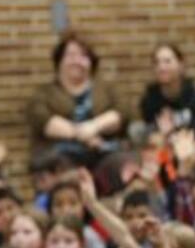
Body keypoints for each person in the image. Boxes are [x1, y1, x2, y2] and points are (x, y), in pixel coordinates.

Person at [27, 30, 126, 165]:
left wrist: (94, 127)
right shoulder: (44, 93)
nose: (77, 61)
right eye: (71, 55)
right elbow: (43, 120)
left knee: (121, 165)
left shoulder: (107, 89)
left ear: (91, 62)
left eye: (83, 56)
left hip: (101, 153)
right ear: (60, 60)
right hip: (59, 156)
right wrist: (81, 134)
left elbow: (122, 112)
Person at [139, 43, 195, 138]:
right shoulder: (150, 98)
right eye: (157, 63)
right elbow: (150, 136)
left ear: (181, 65)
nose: (162, 67)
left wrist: (175, 130)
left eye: (167, 62)